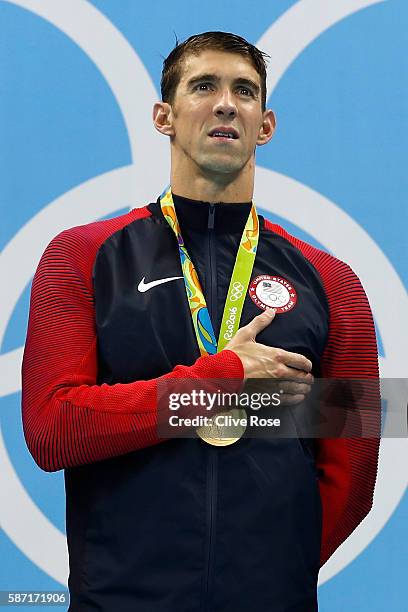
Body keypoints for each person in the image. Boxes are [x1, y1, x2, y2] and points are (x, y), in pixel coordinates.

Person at [22, 32, 379, 612]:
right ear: (164, 116)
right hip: (121, 600)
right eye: (204, 86)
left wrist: (271, 565)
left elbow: (355, 468)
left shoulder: (333, 280)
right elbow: (52, 426)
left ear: (265, 125)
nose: (225, 103)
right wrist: (218, 382)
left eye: (244, 91)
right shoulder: (81, 255)